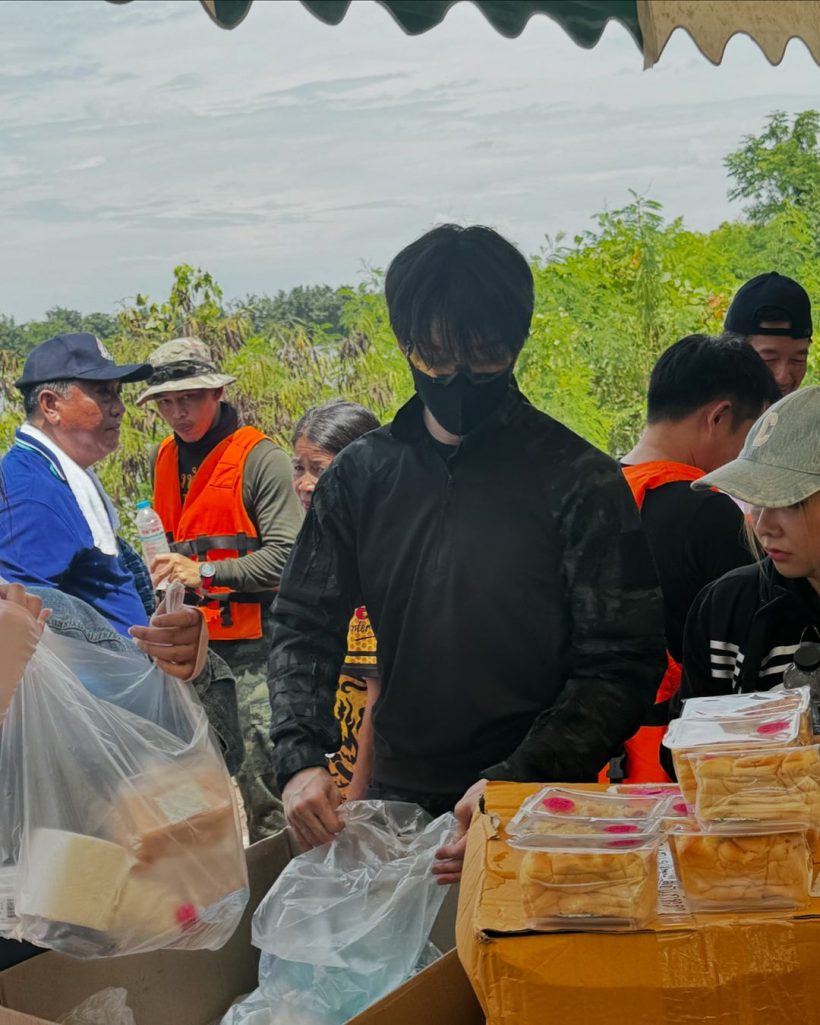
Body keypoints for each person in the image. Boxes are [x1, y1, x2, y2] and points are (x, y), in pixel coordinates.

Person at [268, 223, 667, 880]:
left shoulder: (577, 479)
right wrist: (301, 759)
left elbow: (621, 660)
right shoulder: (361, 477)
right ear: (404, 344)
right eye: (435, 355)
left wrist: (520, 778)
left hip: (540, 807)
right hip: (398, 799)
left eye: (484, 356)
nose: (459, 376)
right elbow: (302, 621)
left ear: (517, 344)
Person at [137, 338, 303, 841]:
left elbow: (291, 557)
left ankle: (287, 893)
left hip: (256, 646)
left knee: (265, 782)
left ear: (215, 392)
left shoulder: (260, 459)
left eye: (188, 397)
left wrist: (205, 574)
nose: (177, 411)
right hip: (192, 647)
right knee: (193, 781)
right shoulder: (164, 457)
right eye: (165, 402)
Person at [612, 333, 781, 782]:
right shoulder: (707, 511)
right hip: (669, 771)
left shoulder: (593, 492)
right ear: (719, 417)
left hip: (581, 766)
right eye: (750, 438)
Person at [0, 334, 206, 680]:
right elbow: (19, 628)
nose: (119, 407)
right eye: (103, 393)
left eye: (118, 393)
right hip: (95, 712)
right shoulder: (32, 495)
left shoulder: (61, 477)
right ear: (50, 405)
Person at [677, 386, 820, 705]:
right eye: (756, 500)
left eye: (790, 502)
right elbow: (691, 742)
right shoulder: (725, 609)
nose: (764, 525)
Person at [290, 399, 381, 800]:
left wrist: (356, 801)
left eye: (320, 470)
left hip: (366, 781)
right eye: (299, 468)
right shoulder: (321, 551)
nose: (305, 484)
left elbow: (376, 706)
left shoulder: (374, 562)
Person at [724, 272, 812, 397]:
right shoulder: (695, 410)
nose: (782, 378)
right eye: (768, 360)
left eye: (797, 360)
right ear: (729, 356)